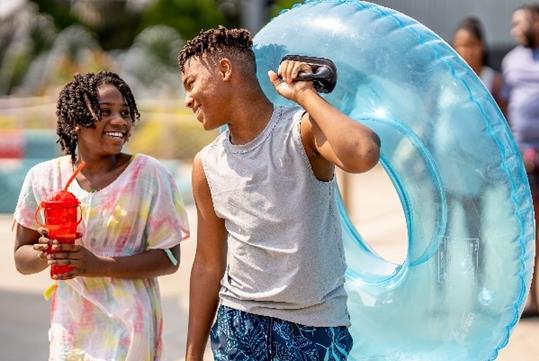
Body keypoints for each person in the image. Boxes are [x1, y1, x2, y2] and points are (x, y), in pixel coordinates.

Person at [178, 26, 380, 360]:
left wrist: (306, 95)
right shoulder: (206, 164)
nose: (187, 99)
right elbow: (207, 265)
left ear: (225, 70)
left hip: (314, 328)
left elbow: (363, 153)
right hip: (238, 327)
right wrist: (191, 355)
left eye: (191, 83)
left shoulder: (300, 131)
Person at [13, 71, 190, 360]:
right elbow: (21, 257)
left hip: (131, 329)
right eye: (105, 111)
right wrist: (45, 252)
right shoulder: (44, 178)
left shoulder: (148, 175)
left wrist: (98, 265)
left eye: (125, 112)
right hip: (71, 330)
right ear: (75, 121)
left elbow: (170, 258)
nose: (120, 121)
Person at [502, 3, 539, 318]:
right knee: (527, 228)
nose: (515, 29)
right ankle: (530, 297)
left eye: (520, 22)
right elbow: (504, 105)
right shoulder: (510, 61)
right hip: (521, 158)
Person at [452, 16, 505, 112]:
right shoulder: (450, 80)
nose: (466, 51)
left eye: (471, 44)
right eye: (460, 45)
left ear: (482, 45)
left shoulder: (495, 81)